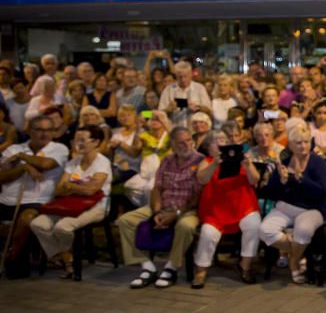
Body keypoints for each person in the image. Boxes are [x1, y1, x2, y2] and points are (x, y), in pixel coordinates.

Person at [116, 127, 203, 289]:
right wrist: (157, 210)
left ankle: (171, 266)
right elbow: (157, 188)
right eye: (181, 142)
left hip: (187, 208)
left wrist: (176, 213)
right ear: (173, 145)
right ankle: (146, 266)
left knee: (186, 226)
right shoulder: (167, 160)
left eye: (189, 140)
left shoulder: (201, 161)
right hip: (162, 205)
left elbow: (197, 196)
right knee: (125, 221)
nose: (186, 145)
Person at [29, 125, 111, 278]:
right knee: (37, 223)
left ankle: (64, 260)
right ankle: (66, 257)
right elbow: (58, 190)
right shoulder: (73, 163)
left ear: (96, 142)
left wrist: (71, 185)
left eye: (82, 140)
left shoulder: (102, 162)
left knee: (62, 227)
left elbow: (91, 191)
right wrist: (79, 186)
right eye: (75, 140)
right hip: (69, 204)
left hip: (96, 206)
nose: (78, 144)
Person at [257, 124, 326, 284]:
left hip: (312, 209)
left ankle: (293, 262)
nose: (303, 146)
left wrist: (301, 179)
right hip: (285, 208)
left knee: (303, 230)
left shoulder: (318, 163)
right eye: (298, 143)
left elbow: (323, 191)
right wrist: (281, 181)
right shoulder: (284, 162)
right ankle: (298, 251)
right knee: (264, 231)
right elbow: (270, 192)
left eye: (305, 142)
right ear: (290, 145)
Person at [0, 115, 69, 277]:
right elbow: (2, 177)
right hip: (7, 200)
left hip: (38, 201)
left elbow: (45, 164)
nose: (44, 134)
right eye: (39, 130)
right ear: (29, 131)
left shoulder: (59, 149)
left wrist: (23, 158)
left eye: (48, 130)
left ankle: (12, 256)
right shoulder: (13, 149)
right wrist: (23, 169)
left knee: (27, 217)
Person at [191, 131, 261, 288]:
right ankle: (201, 270)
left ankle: (246, 265)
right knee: (208, 234)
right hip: (216, 209)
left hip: (243, 205)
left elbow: (255, 179)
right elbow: (202, 179)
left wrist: (248, 166)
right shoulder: (207, 161)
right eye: (216, 141)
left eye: (223, 139)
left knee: (254, 225)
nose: (221, 143)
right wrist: (215, 164)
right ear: (209, 148)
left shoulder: (239, 159)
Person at [158, 61, 211, 129]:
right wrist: (169, 109)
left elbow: (209, 111)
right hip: (175, 130)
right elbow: (159, 113)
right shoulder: (168, 90)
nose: (183, 80)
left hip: (195, 131)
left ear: (191, 74)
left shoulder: (199, 88)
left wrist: (198, 107)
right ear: (176, 76)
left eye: (185, 76)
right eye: (180, 77)